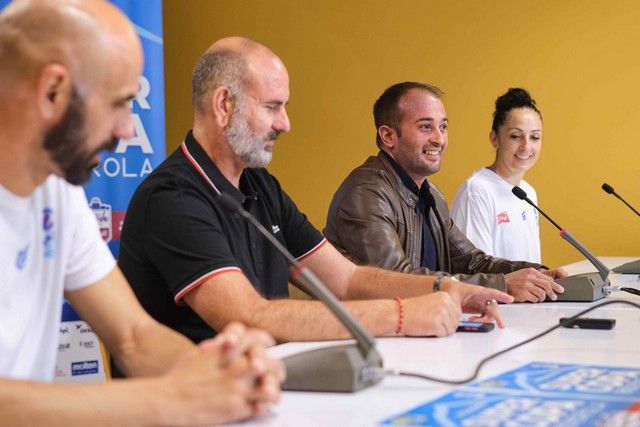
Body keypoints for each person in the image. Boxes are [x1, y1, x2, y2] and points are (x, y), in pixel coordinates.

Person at [118, 37, 515, 348]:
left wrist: (448, 290)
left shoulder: (260, 184)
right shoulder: (172, 198)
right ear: (224, 104)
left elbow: (346, 279)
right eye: (273, 106)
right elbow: (248, 316)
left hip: (271, 392)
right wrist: (401, 315)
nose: (286, 123)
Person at [0, 1, 284, 425]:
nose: (129, 130)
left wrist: (222, 373)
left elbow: (134, 336)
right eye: (119, 103)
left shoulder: (58, 190)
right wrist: (169, 400)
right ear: (52, 91)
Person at [324, 82, 567, 303]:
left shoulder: (432, 195)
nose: (439, 139)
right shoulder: (367, 194)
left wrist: (536, 274)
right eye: (426, 127)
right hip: (376, 339)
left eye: (443, 127)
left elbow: (474, 262)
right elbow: (393, 280)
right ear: (388, 136)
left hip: (419, 329)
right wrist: (504, 284)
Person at [451, 88, 543, 264]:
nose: (526, 146)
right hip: (495, 292)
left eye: (535, 137)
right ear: (494, 138)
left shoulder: (528, 192)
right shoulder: (477, 191)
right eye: (515, 136)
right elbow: (475, 271)